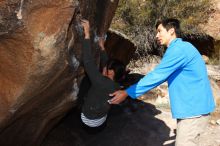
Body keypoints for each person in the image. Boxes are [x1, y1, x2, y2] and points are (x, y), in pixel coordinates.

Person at [109, 18, 215, 146]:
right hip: (195, 110)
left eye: (159, 31)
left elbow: (157, 76)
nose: (156, 35)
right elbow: (163, 75)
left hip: (193, 112)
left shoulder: (179, 49)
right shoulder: (182, 47)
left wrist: (127, 92)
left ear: (171, 31)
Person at [79, 19, 126, 130]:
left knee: (85, 83)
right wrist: (102, 47)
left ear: (110, 72)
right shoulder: (118, 85)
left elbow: (88, 61)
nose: (104, 66)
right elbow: (106, 63)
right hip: (101, 120)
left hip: (88, 120)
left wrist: (87, 33)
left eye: (107, 68)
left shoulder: (100, 81)